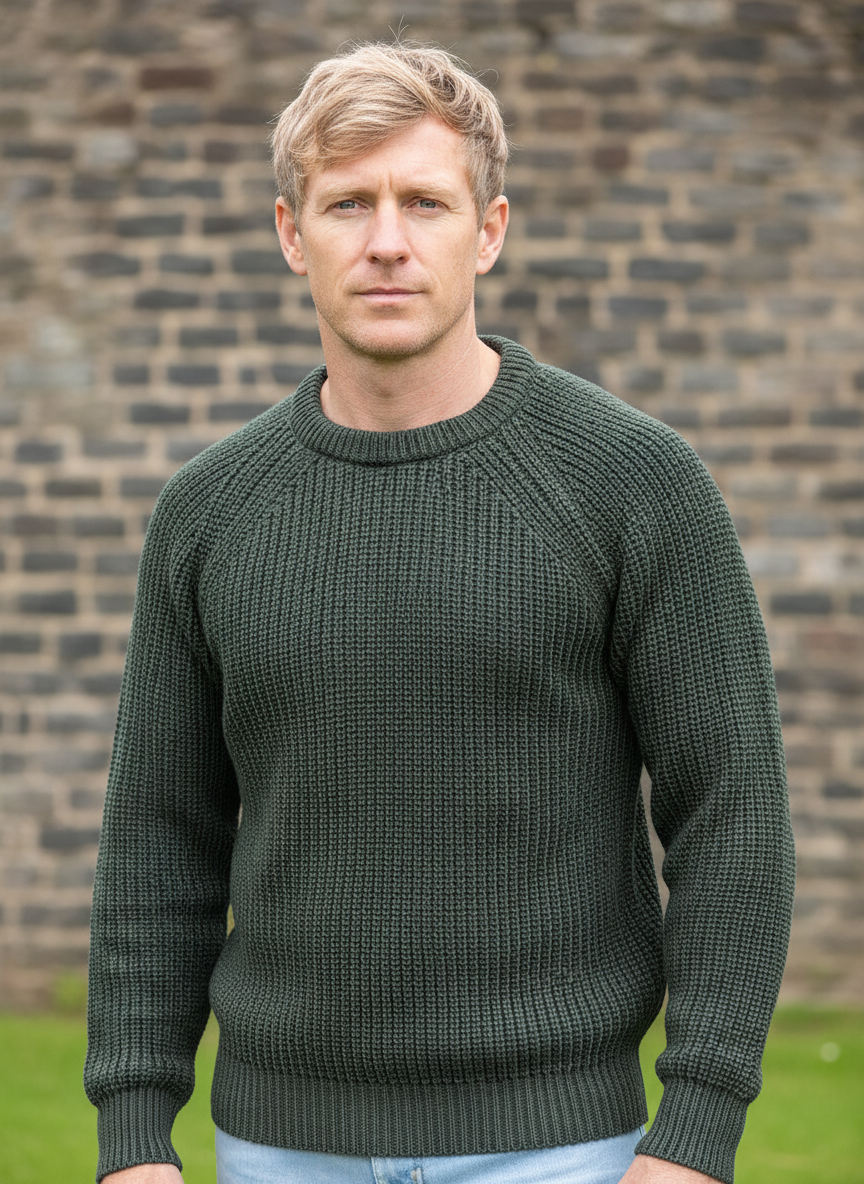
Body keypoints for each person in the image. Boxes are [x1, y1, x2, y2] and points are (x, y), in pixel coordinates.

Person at [84, 40, 796, 1184]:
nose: (385, 240)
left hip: (564, 1145)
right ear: (289, 233)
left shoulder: (634, 483)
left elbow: (733, 816)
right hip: (275, 1146)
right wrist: (131, 1137)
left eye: (424, 200)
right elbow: (158, 840)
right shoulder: (209, 512)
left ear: (491, 228)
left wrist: (697, 1135)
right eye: (346, 203)